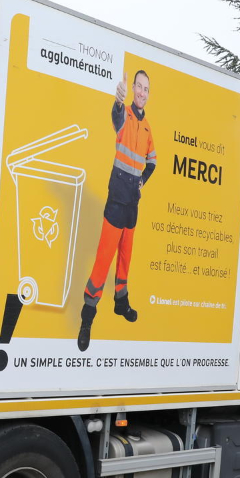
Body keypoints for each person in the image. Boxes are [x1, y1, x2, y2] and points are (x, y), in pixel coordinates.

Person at [77, 69, 157, 351]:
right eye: (138, 86)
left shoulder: (148, 129)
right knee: (104, 257)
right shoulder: (125, 116)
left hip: (132, 201)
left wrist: (140, 185)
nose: (141, 92)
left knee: (126, 256)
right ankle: (88, 315)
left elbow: (152, 162)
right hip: (116, 198)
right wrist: (118, 101)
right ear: (132, 88)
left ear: (149, 93)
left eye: (146, 89)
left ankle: (120, 301)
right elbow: (116, 116)